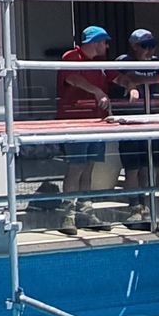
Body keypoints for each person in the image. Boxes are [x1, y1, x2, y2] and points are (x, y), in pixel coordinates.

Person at [52, 24, 115, 230]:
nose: (106, 47)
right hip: (75, 121)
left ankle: (85, 211)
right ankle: (67, 214)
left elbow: (117, 78)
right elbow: (73, 78)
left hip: (96, 121)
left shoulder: (101, 63)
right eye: (104, 42)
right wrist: (96, 91)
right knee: (76, 167)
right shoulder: (71, 56)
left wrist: (131, 87)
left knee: (89, 168)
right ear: (96, 42)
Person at [117, 27, 159, 228]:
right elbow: (128, 79)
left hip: (151, 122)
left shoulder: (157, 63)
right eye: (145, 46)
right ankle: (134, 207)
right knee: (132, 168)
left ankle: (148, 205)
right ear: (134, 47)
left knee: (149, 166)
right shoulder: (123, 62)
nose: (150, 50)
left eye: (152, 45)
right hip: (130, 123)